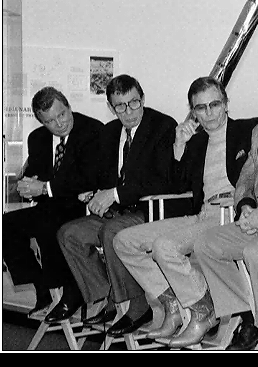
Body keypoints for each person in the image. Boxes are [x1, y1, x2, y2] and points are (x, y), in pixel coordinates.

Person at [158, 67, 258, 349]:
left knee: (255, 252)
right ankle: (247, 314)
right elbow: (247, 175)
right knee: (207, 244)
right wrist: (245, 204)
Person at [112, 76, 258, 343]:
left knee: (165, 247)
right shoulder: (197, 141)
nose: (209, 113)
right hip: (202, 214)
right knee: (124, 241)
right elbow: (178, 186)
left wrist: (245, 199)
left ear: (226, 103)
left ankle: (203, 311)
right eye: (201, 108)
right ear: (193, 112)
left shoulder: (247, 131)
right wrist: (179, 146)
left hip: (230, 215)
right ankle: (173, 305)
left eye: (215, 104)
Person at [49, 74, 177, 339]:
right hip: (117, 211)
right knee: (69, 234)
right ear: (110, 107)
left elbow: (161, 180)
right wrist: (93, 192)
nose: (128, 112)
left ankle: (138, 305)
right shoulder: (108, 132)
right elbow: (101, 176)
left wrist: (115, 194)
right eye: (120, 106)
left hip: (148, 211)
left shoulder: (163, 126)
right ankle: (109, 295)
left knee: (112, 232)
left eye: (134, 103)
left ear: (143, 99)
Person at [3, 87, 104, 318]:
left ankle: (71, 290)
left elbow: (88, 179)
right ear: (41, 122)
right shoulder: (37, 138)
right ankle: (42, 286)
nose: (59, 124)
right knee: (6, 225)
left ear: (69, 107)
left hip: (81, 206)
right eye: (50, 121)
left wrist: (44, 188)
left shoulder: (92, 131)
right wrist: (28, 187)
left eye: (62, 115)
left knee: (49, 224)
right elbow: (37, 177)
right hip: (50, 205)